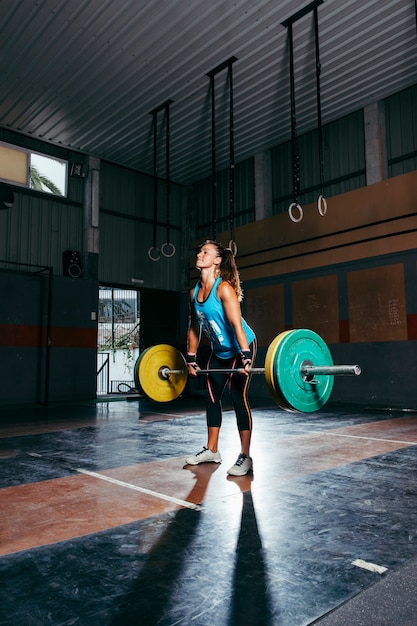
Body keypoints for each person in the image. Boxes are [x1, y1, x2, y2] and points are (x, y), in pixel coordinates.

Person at [184, 240, 257, 476]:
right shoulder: (194, 292)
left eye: (206, 251)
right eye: (199, 251)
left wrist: (246, 357)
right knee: (212, 397)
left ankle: (245, 456)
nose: (200, 253)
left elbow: (236, 324)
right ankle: (212, 450)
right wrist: (191, 358)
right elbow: (195, 327)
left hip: (240, 347)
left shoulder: (223, 288)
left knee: (237, 397)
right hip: (219, 352)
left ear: (216, 260)